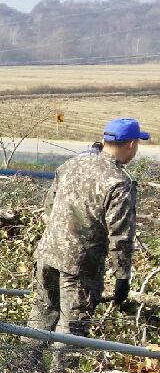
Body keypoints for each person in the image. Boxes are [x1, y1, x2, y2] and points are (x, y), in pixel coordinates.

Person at [28, 117, 146, 338]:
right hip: (80, 267)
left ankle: (23, 360)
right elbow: (120, 235)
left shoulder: (71, 164)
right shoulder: (119, 182)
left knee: (41, 316)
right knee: (72, 329)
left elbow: (49, 207)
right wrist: (122, 277)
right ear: (131, 144)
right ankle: (59, 363)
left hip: (47, 256)